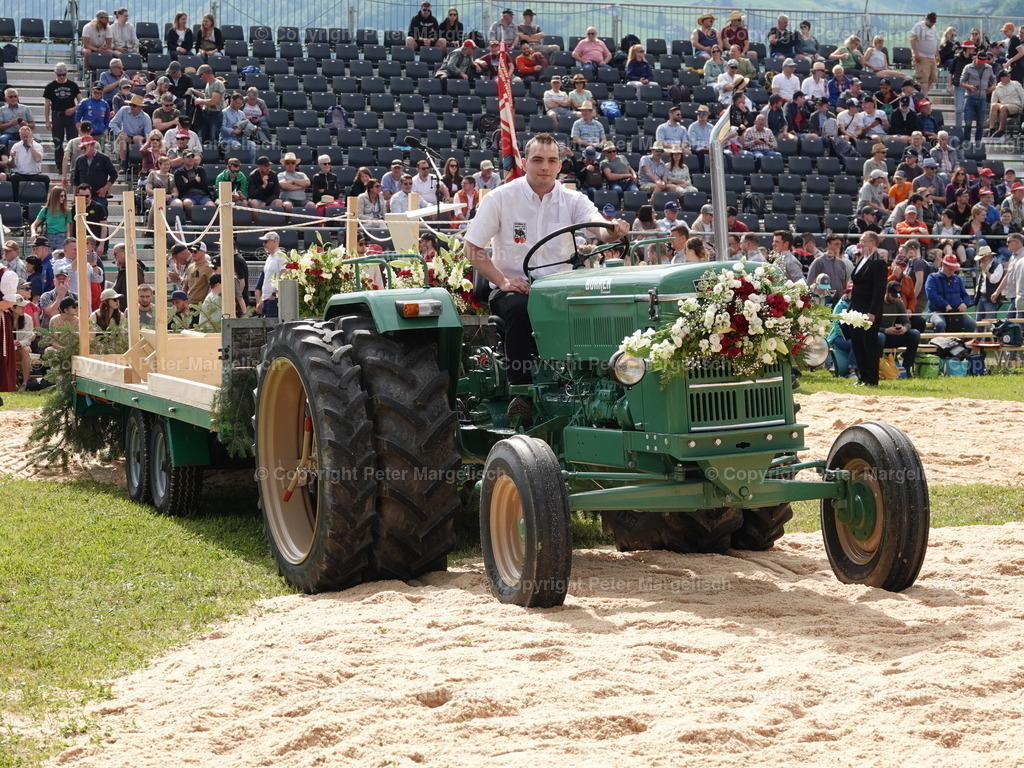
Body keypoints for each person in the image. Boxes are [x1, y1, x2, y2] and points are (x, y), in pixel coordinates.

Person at [463, 133, 628, 424]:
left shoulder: (573, 199)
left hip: (560, 289)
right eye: (538, 160)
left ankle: (614, 381)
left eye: (552, 160)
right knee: (518, 306)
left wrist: (613, 229)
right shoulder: (501, 198)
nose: (545, 167)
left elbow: (599, 228)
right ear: (525, 162)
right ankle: (522, 394)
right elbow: (471, 248)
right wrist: (502, 281)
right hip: (516, 287)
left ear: (560, 165)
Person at [846, 231, 887, 385]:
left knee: (868, 345)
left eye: (864, 241)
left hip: (868, 310)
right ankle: (862, 376)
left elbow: (879, 289)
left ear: (873, 243)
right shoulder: (862, 259)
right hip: (856, 309)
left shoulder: (878, 262)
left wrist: (872, 312)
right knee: (857, 344)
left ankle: (871, 378)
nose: (861, 244)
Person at [42, 64, 81, 177]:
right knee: (57, 141)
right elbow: (47, 104)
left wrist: (74, 109)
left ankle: (74, 165)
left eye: (63, 75)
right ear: (55, 74)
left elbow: (81, 101)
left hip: (71, 115)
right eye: (59, 75)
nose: (61, 77)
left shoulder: (72, 85)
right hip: (57, 115)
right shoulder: (50, 86)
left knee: (73, 141)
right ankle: (59, 165)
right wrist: (47, 120)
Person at [878, 281, 920, 374]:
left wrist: (904, 329)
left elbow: (907, 322)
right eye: (893, 296)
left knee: (915, 334)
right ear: (887, 292)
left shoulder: (899, 303)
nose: (896, 299)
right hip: (879, 335)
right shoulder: (878, 303)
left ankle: (906, 368)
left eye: (898, 296)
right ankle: (878, 367)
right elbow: (870, 325)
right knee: (880, 337)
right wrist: (885, 330)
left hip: (892, 335)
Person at [926, 254, 976, 331]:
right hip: (937, 311)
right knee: (940, 324)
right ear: (943, 265)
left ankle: (966, 339)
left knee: (971, 323)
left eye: (954, 270)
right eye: (950, 269)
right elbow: (931, 295)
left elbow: (965, 295)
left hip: (956, 311)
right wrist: (945, 304)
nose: (952, 272)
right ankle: (939, 339)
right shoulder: (932, 278)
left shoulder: (958, 279)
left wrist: (964, 303)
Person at [109, 94, 152, 173]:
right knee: (122, 138)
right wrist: (119, 132)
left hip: (138, 137)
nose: (131, 107)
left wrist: (144, 141)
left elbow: (148, 135)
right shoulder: (123, 110)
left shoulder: (146, 117)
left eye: (134, 105)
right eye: (130, 104)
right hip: (125, 135)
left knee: (138, 138)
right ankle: (123, 164)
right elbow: (112, 123)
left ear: (140, 107)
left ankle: (142, 162)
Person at [961, 50, 996, 143]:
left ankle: (978, 142)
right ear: (976, 58)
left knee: (980, 124)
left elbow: (993, 79)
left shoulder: (988, 68)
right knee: (968, 123)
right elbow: (962, 82)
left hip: (982, 98)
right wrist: (969, 87)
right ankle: (967, 141)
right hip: (970, 97)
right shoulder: (968, 67)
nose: (981, 64)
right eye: (980, 61)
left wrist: (993, 87)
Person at [807, 236, 852, 307]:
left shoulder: (841, 263)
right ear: (828, 244)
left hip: (838, 301)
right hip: (823, 302)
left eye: (840, 244)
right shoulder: (819, 262)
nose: (839, 246)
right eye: (836, 244)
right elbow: (810, 282)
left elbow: (844, 283)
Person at [189, 65, 226, 146]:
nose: (200, 78)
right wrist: (194, 91)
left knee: (213, 138)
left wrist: (200, 101)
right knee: (203, 137)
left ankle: (213, 153)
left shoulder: (217, 84)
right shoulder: (209, 84)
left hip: (215, 114)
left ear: (205, 73)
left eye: (200, 75)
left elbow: (213, 101)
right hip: (206, 113)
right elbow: (207, 97)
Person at [8, 126, 47, 202]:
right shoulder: (16, 146)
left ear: (31, 135)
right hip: (20, 174)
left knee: (45, 179)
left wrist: (30, 147)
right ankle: (15, 202)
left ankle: (43, 202)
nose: (25, 139)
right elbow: (11, 165)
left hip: (34, 174)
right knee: (14, 178)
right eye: (24, 137)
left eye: (27, 137)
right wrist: (12, 157)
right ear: (20, 136)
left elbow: (37, 159)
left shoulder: (38, 146)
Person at [172, 150, 215, 216]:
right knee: (187, 204)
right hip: (187, 196)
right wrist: (195, 181)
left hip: (203, 196)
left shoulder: (200, 170)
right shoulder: (178, 173)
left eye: (192, 156)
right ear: (183, 159)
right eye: (188, 157)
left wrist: (188, 183)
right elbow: (181, 189)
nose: (190, 159)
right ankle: (197, 219)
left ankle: (205, 220)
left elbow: (204, 185)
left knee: (211, 206)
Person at [254, 232, 286, 317]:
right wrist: (261, 299)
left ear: (275, 242)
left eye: (266, 241)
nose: (263, 244)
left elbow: (284, 276)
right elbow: (266, 279)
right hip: (267, 298)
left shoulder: (281, 257)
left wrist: (274, 294)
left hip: (274, 299)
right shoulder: (269, 258)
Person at [31, 186, 73, 251]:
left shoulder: (67, 211)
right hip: (48, 238)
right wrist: (33, 233)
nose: (63, 198)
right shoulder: (45, 210)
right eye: (61, 196)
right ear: (55, 196)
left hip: (61, 238)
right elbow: (34, 224)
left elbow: (68, 229)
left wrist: (67, 242)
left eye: (64, 196)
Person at [219, 92, 256, 164]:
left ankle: (252, 165)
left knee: (252, 145)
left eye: (241, 104)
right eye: (237, 103)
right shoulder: (224, 112)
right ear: (232, 101)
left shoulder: (241, 113)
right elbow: (221, 128)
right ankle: (235, 165)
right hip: (226, 138)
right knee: (237, 145)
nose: (239, 105)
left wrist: (252, 127)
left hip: (239, 138)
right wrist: (234, 131)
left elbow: (245, 125)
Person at [910, 12, 940, 97]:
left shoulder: (933, 28)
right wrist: (916, 54)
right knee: (924, 79)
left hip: (931, 56)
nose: (932, 23)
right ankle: (924, 97)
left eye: (933, 21)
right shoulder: (919, 26)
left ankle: (922, 95)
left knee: (931, 78)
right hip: (922, 55)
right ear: (926, 19)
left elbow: (935, 42)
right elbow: (912, 39)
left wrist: (937, 55)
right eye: (931, 21)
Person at [987, 69, 1024, 138]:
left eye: (1009, 75)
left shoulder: (1015, 84)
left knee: (1003, 107)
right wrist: (990, 117)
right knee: (994, 105)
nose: (1009, 76)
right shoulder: (997, 87)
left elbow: (1022, 95)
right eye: (1007, 76)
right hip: (1003, 105)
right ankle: (992, 128)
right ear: (1002, 78)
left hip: (1015, 105)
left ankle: (1001, 129)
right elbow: (993, 101)